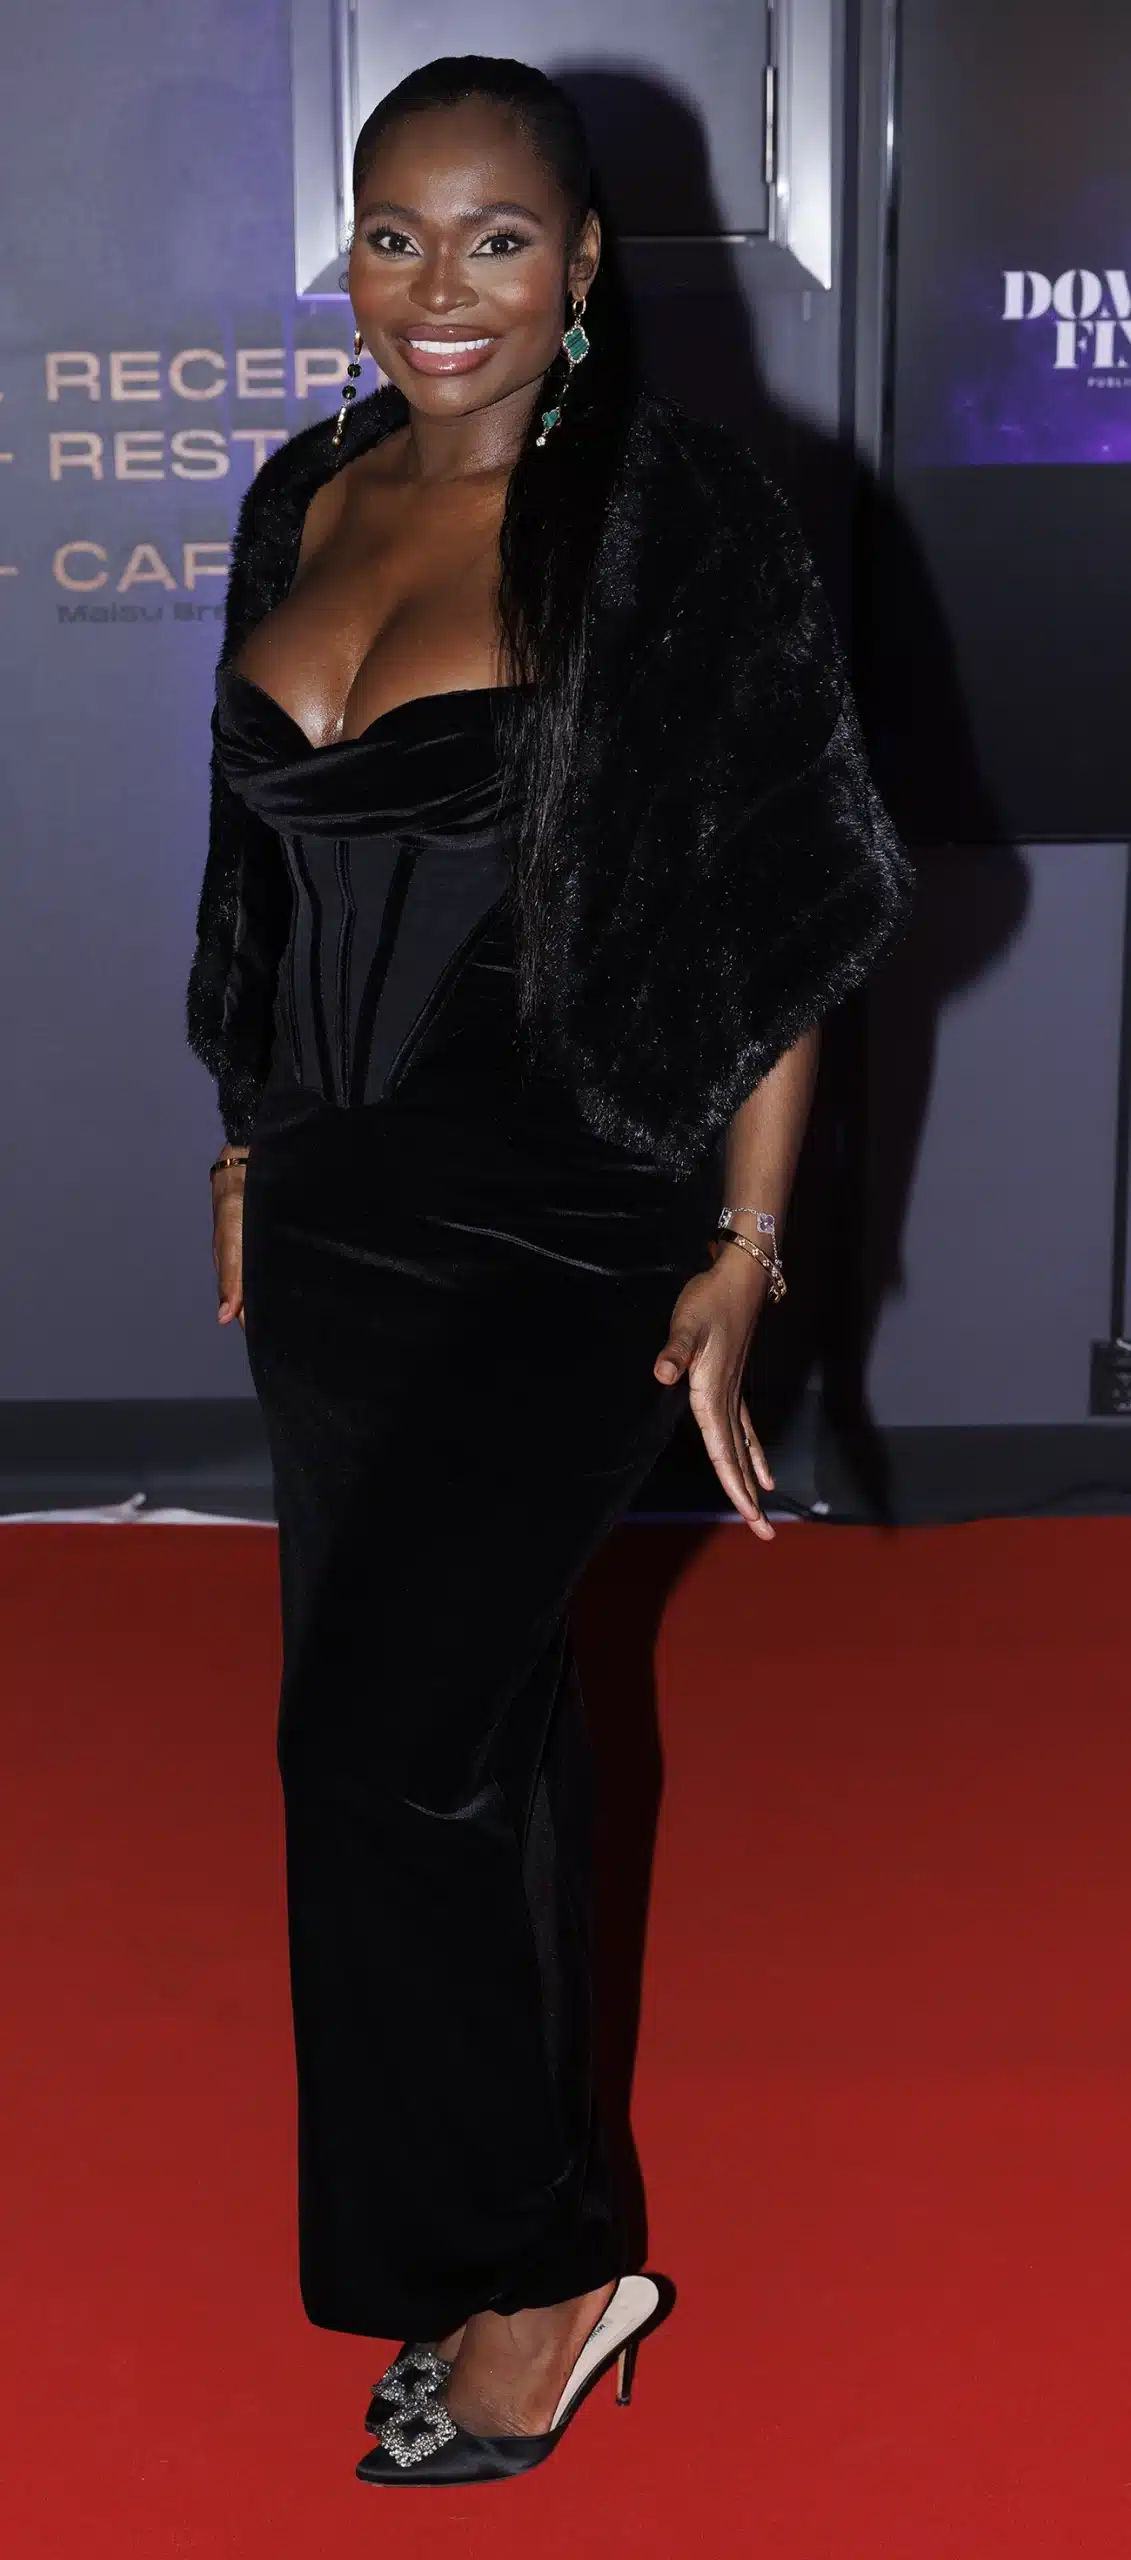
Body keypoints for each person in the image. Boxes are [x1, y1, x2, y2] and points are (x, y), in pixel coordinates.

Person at [187, 54, 910, 2487]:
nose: (439, 286)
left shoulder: (670, 522)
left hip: (569, 1206)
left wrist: (745, 1238)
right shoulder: (303, 490)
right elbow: (253, 868)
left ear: (584, 261)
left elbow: (788, 907)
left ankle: (546, 2266)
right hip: (337, 1218)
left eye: (496, 237)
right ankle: (485, 2239)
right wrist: (245, 1122)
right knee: (468, 1739)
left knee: (372, 1743)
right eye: (395, 234)